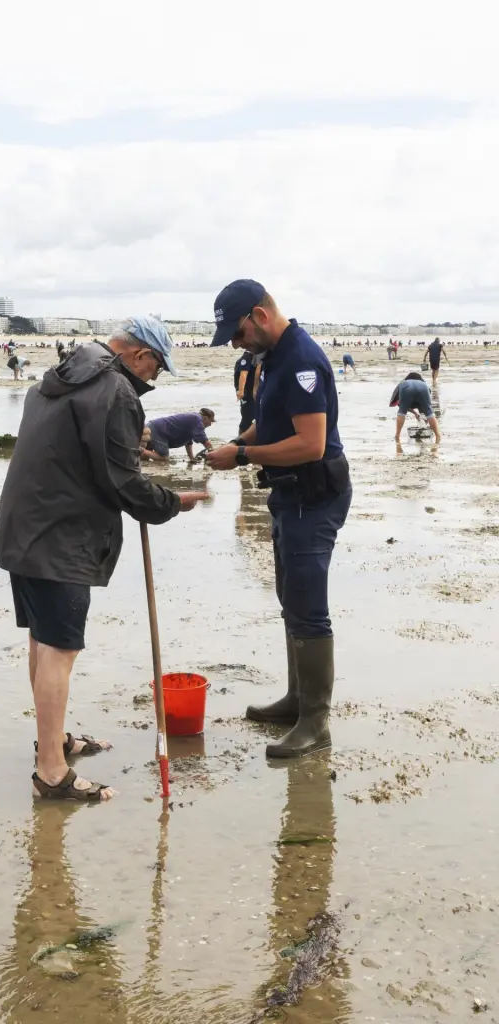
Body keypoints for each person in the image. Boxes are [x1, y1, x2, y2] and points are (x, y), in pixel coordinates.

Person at [0, 316, 208, 803]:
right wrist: (170, 503)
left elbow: (82, 453)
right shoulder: (115, 391)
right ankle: (51, 772)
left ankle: (54, 742)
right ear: (138, 355)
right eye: (155, 369)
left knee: (43, 641)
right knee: (59, 649)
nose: (151, 381)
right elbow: (120, 481)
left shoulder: (58, 379)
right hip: (59, 537)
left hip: (23, 527)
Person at [207, 279, 352, 758]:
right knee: (289, 596)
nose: (234, 342)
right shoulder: (271, 357)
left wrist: (244, 455)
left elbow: (310, 444)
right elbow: (270, 422)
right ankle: (296, 700)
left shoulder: (302, 360)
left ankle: (316, 722)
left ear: (260, 316)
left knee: (309, 605)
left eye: (237, 331)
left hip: (315, 495)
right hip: (289, 495)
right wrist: (238, 440)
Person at [141, 409, 216, 462]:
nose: (210, 424)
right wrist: (212, 451)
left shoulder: (193, 420)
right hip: (158, 430)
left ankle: (141, 452)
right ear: (206, 418)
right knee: (164, 458)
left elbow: (188, 443)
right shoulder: (197, 419)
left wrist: (191, 458)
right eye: (211, 421)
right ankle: (140, 450)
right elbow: (203, 439)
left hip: (153, 427)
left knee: (145, 459)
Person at [389, 371, 441, 443]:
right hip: (423, 389)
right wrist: (421, 415)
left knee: (401, 412)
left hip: (406, 389)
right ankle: (438, 435)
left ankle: (397, 435)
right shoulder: (424, 384)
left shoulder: (402, 383)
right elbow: (426, 405)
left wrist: (414, 413)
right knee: (429, 412)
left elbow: (401, 404)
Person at [234, 350, 259, 432]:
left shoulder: (254, 358)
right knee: (247, 419)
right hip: (247, 394)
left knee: (252, 418)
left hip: (251, 394)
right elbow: (243, 375)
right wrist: (241, 391)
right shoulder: (247, 358)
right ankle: (240, 441)